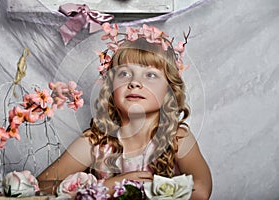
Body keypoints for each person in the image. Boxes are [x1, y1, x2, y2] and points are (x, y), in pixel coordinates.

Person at [37, 23, 212, 199]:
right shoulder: (96, 141)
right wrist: (109, 186)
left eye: (150, 75)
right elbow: (39, 186)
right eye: (124, 74)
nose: (134, 82)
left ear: (169, 90)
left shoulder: (177, 137)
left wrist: (150, 189)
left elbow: (202, 191)